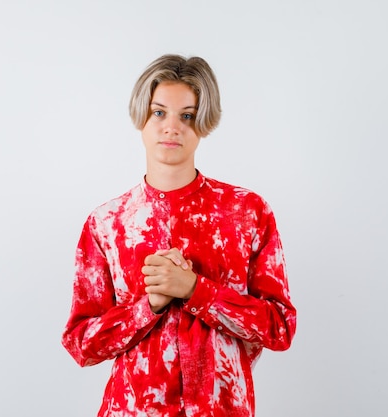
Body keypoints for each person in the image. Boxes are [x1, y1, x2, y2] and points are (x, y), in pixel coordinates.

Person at [61, 54, 296, 417]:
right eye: (159, 113)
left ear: (203, 123)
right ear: (141, 117)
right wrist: (148, 306)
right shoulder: (108, 223)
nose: (172, 127)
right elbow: (81, 344)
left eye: (187, 116)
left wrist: (195, 289)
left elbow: (279, 328)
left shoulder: (246, 211)